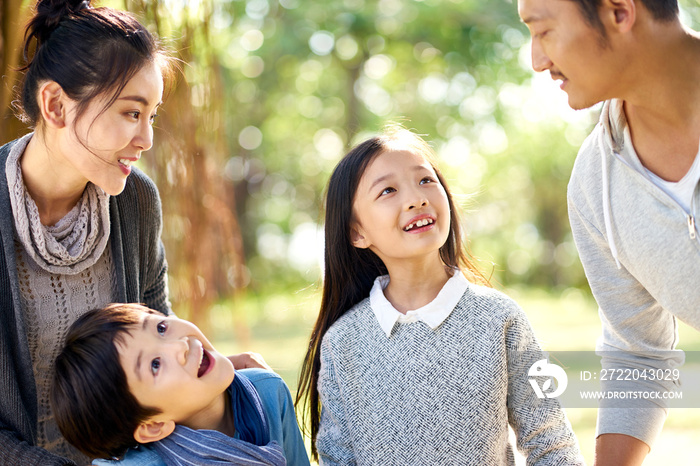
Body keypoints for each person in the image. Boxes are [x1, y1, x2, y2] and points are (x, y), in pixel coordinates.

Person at [0, 1, 263, 464]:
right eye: (130, 113)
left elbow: (154, 333)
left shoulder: (135, 200)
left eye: (152, 115)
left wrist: (219, 374)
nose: (147, 139)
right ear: (56, 105)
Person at [295, 127, 584, 465]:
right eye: (388, 190)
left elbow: (552, 443)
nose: (417, 198)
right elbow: (337, 459)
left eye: (425, 181)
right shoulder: (342, 343)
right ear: (357, 232)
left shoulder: (500, 319)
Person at [517, 0, 700, 464]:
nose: (537, 61)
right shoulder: (594, 187)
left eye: (543, 32)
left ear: (619, 12)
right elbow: (638, 356)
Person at [50, 303, 310, 466]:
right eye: (154, 364)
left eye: (161, 328)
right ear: (153, 426)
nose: (180, 345)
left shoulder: (268, 391)